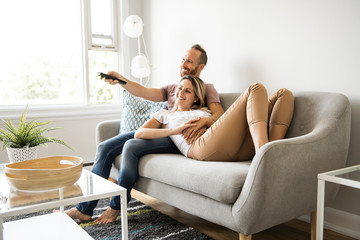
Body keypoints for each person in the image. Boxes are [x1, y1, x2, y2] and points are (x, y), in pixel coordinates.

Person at [63, 44, 224, 224]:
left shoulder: (207, 88)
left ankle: (116, 207)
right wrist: (121, 80)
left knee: (131, 145)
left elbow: (219, 115)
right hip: (161, 131)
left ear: (201, 67)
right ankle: (84, 209)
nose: (184, 63)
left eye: (190, 61)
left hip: (176, 138)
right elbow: (144, 91)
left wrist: (203, 121)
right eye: (183, 59)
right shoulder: (173, 88)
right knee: (105, 147)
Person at [136, 75, 294, 163]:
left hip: (234, 146)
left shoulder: (205, 113)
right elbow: (139, 133)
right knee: (256, 88)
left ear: (196, 98)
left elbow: (221, 125)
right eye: (179, 88)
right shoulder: (166, 114)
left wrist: (207, 121)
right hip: (199, 147)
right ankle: (264, 154)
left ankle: (271, 153)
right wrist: (174, 130)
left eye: (187, 91)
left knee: (284, 93)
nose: (180, 93)